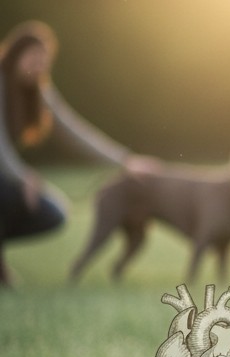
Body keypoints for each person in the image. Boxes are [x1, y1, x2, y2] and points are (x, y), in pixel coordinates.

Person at [0, 21, 148, 286]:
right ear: (15, 53)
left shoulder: (39, 91)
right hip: (7, 175)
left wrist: (124, 160)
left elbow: (73, 130)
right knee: (12, 196)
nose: (39, 65)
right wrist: (23, 177)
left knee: (53, 212)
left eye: (45, 60)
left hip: (6, 176)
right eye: (33, 56)